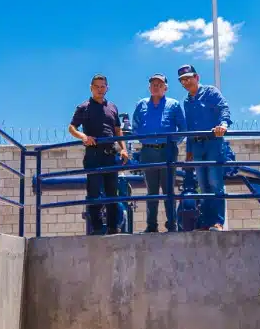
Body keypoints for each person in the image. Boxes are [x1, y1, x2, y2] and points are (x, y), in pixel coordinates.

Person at [68, 74, 126, 236]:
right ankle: (97, 228)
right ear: (91, 88)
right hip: (93, 154)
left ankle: (114, 228)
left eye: (103, 86)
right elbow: (72, 128)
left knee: (112, 192)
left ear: (107, 88)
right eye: (97, 86)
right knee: (94, 192)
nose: (100, 89)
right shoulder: (84, 107)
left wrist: (123, 148)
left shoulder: (113, 107)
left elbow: (117, 129)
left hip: (111, 155)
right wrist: (84, 137)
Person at [176, 64, 232, 230]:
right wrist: (189, 151)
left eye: (188, 78)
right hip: (197, 146)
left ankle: (218, 222)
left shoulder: (211, 92)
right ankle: (207, 222)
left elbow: (224, 107)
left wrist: (223, 124)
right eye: (183, 80)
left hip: (213, 142)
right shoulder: (187, 101)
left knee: (215, 183)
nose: (186, 82)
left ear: (197, 77)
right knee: (203, 184)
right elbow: (190, 128)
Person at [131, 73, 186, 232]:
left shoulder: (173, 104)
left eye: (160, 84)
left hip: (167, 151)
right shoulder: (141, 104)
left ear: (165, 88)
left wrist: (173, 142)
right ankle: (151, 226)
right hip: (148, 153)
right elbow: (135, 126)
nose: (156, 86)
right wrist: (144, 139)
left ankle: (172, 226)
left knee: (169, 190)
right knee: (152, 191)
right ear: (149, 87)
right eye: (153, 84)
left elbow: (182, 128)